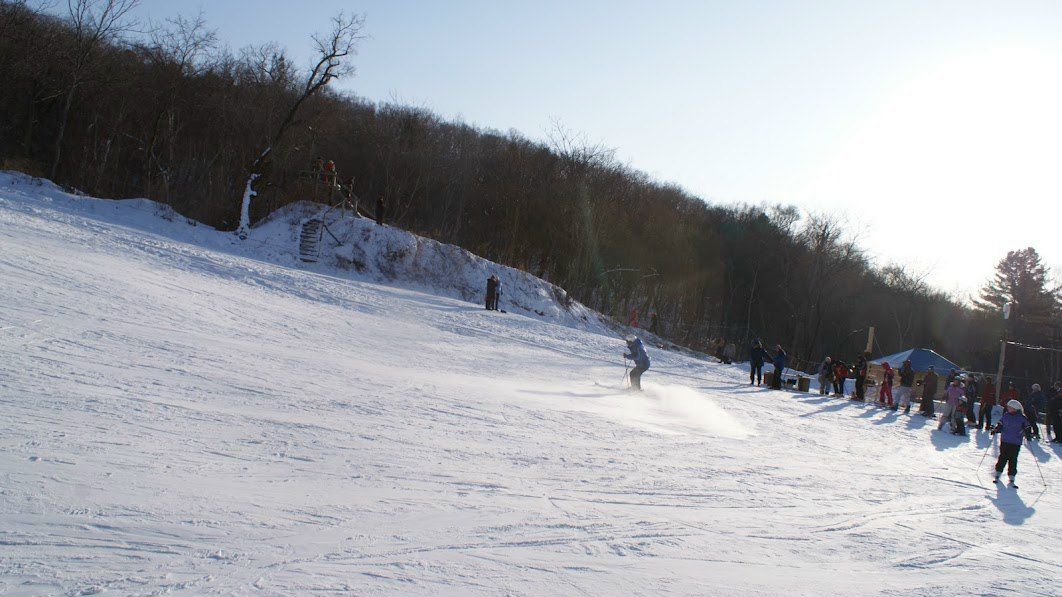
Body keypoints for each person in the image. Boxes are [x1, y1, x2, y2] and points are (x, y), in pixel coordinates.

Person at [991, 399, 1033, 488]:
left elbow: (1027, 426)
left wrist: (1028, 433)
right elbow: (1000, 424)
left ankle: (1012, 476)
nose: (1008, 408)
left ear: (1015, 408)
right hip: (1005, 441)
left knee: (1013, 459)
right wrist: (996, 429)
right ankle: (998, 473)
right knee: (1002, 457)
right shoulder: (1006, 416)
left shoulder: (1021, 418)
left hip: (1015, 442)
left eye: (1009, 407)